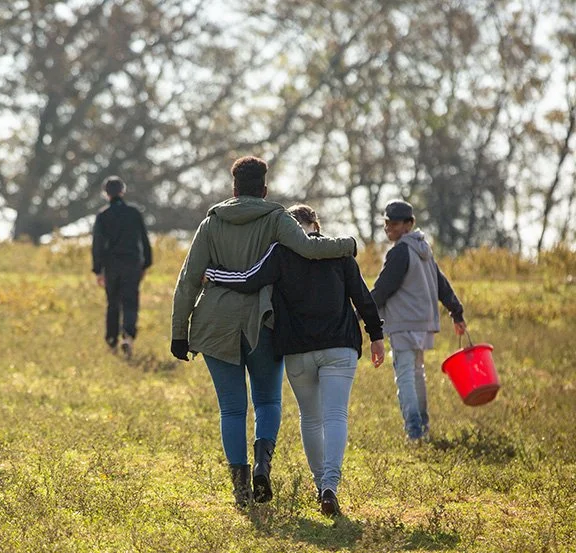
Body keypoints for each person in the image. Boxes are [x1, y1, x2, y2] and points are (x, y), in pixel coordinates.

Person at [170, 156, 358, 508]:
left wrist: (179, 332)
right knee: (268, 400)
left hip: (214, 323)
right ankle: (262, 465)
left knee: (231, 409)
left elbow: (188, 280)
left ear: (234, 188)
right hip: (264, 320)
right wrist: (347, 246)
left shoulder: (210, 224)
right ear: (265, 188)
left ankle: (240, 487)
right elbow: (308, 247)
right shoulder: (276, 218)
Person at [204, 205, 385, 516]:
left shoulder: (280, 253)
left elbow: (249, 280)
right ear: (316, 224)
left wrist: (215, 275)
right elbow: (362, 296)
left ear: (287, 227)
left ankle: (318, 485)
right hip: (339, 347)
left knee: (311, 419)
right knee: (336, 416)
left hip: (298, 350)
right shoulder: (339, 252)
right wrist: (376, 335)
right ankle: (329, 487)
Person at [370, 200, 466, 442]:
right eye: (386, 223)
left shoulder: (401, 251)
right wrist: (456, 311)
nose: (389, 228)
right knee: (417, 374)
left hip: (404, 323)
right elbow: (441, 283)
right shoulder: (423, 249)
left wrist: (360, 313)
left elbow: (384, 288)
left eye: (395, 223)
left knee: (405, 376)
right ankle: (423, 427)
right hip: (422, 324)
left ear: (409, 224)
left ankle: (414, 432)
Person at [91, 176, 152, 358]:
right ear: (123, 191)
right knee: (130, 302)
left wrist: (98, 269)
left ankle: (112, 341)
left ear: (106, 194)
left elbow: (97, 245)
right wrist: (146, 263)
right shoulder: (134, 213)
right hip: (132, 263)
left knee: (113, 303)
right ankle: (128, 336)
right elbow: (144, 239)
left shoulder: (103, 216)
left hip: (112, 266)